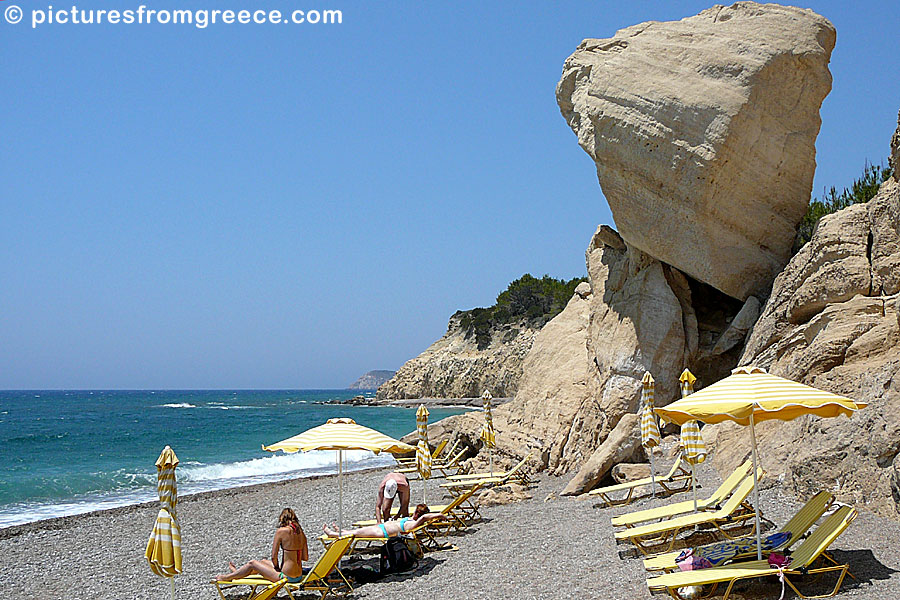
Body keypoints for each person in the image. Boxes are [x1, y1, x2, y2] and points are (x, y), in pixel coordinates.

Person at [215, 508, 309, 583]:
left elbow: (274, 557)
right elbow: (305, 558)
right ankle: (237, 573)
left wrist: (277, 568)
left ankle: (227, 577)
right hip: (298, 576)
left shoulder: (281, 531)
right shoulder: (301, 533)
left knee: (253, 563)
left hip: (286, 577)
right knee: (263, 562)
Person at [323, 503, 445, 538]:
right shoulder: (410, 519)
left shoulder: (414, 524)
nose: (415, 512)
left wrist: (439, 515)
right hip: (381, 527)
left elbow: (424, 518)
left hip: (382, 532)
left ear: (418, 514)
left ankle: (333, 534)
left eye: (417, 512)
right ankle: (341, 531)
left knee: (356, 534)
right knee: (358, 531)